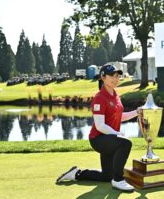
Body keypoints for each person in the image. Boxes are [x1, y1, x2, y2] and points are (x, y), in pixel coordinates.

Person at [56, 64, 139, 192]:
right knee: (125, 144)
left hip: (110, 138)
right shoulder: (99, 98)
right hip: (99, 139)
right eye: (112, 75)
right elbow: (100, 126)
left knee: (106, 176)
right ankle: (118, 180)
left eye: (117, 76)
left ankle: (76, 174)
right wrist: (117, 134)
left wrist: (137, 112)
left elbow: (119, 117)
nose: (116, 78)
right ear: (103, 77)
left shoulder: (115, 95)